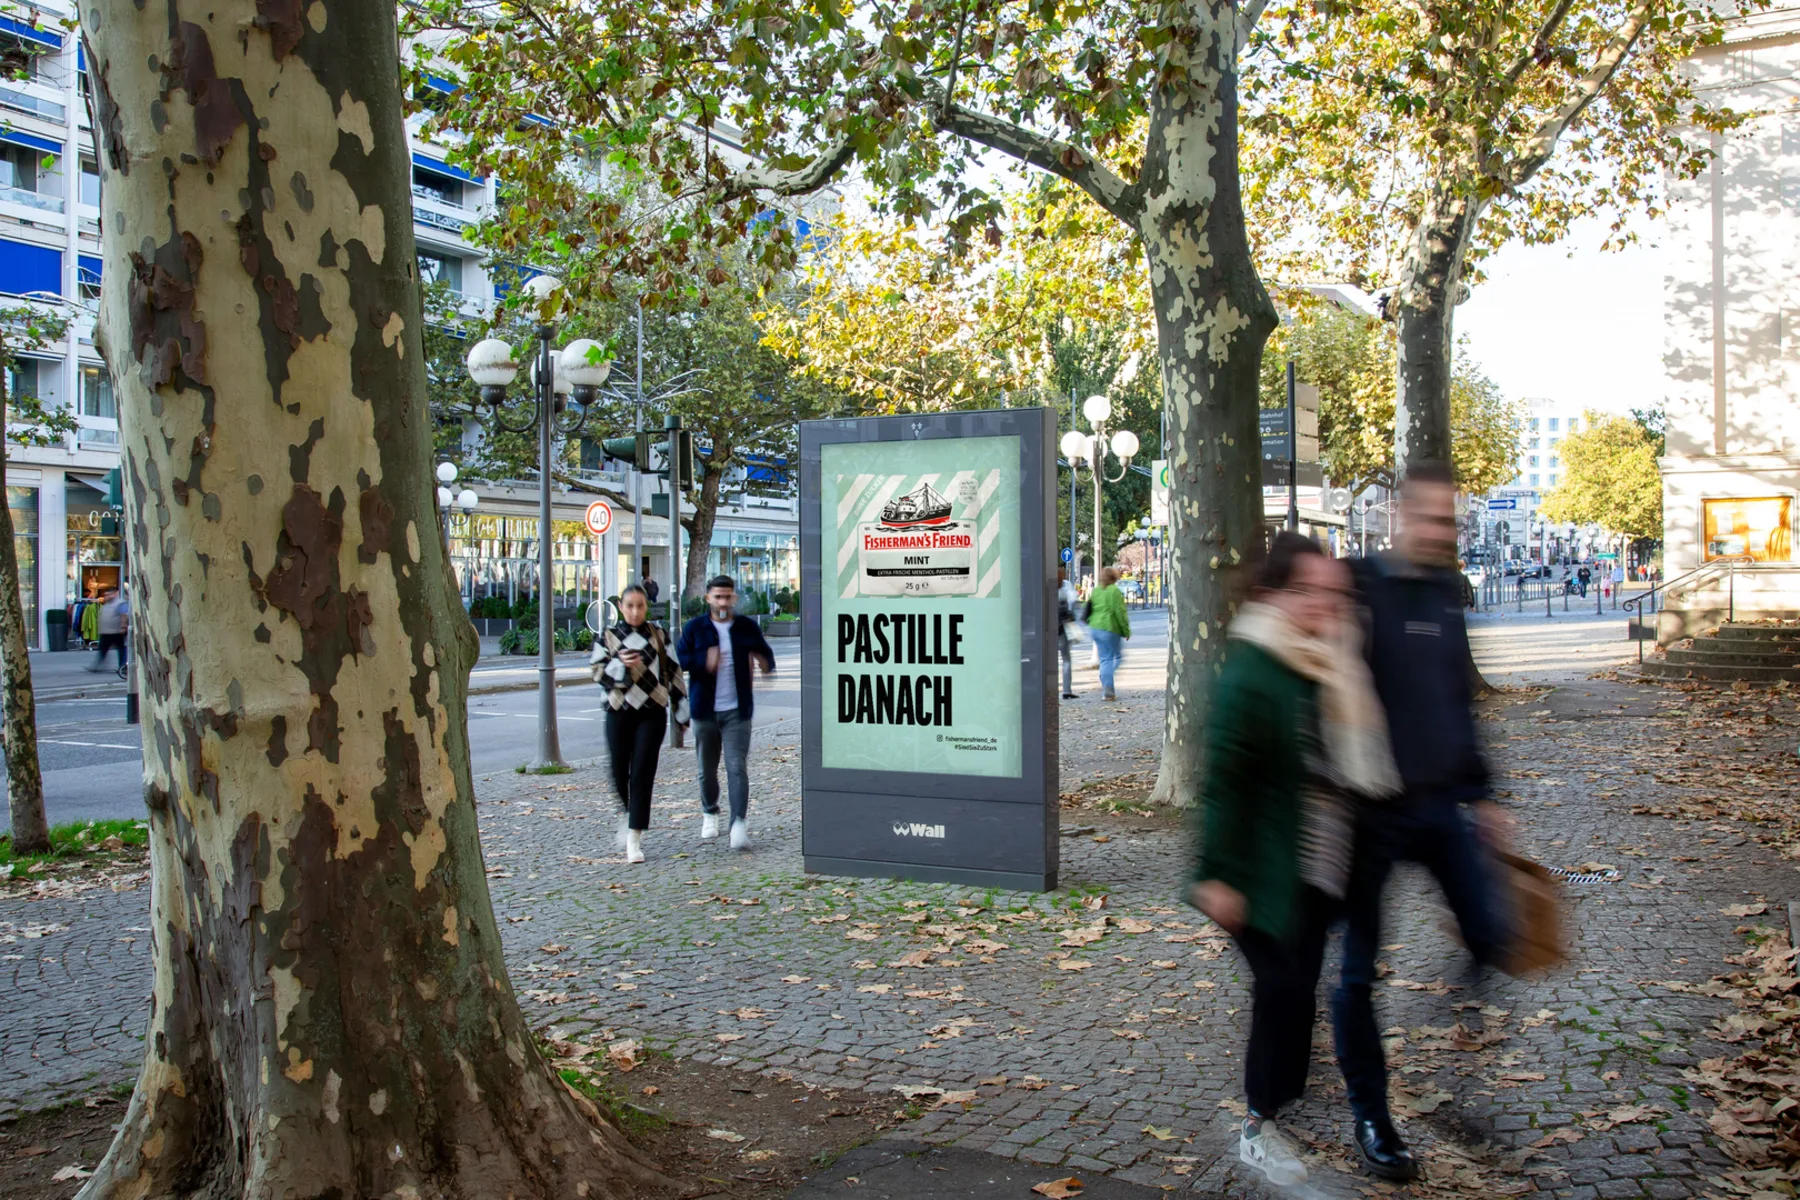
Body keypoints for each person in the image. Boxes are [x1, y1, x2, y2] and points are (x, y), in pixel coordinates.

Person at [1191, 533, 1401, 1190]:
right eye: (1305, 591)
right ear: (1272, 594)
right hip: (1260, 871)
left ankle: (1284, 1100)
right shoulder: (1254, 668)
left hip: (1320, 867)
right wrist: (1215, 875)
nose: (1321, 603)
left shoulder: (1330, 662)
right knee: (1280, 990)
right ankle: (1258, 1123)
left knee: (1302, 988)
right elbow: (1224, 777)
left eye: (1330, 591)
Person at [1333, 463, 1508, 1182]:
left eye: (1452, 522)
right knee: (1356, 977)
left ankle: (1449, 1039)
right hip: (1369, 814)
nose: (1443, 532)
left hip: (1440, 806)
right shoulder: (1361, 585)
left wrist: (1486, 795)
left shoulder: (1445, 591)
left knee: (1492, 935)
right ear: (1401, 515)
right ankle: (1373, 1117)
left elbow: (1455, 700)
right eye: (1432, 520)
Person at [677, 574, 775, 850]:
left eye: (727, 596)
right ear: (708, 598)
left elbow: (767, 656)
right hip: (704, 710)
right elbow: (679, 660)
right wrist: (703, 661)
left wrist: (763, 663)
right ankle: (710, 812)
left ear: (733, 598)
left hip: (737, 711)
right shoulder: (695, 628)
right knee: (706, 770)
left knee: (736, 767)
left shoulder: (745, 627)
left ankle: (738, 824)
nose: (722, 602)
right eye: (717, 597)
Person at [591, 584, 685, 864]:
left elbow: (674, 672)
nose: (635, 611)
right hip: (618, 710)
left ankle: (635, 836)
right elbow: (597, 673)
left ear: (647, 607)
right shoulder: (607, 637)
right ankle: (629, 813)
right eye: (630, 605)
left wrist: (682, 712)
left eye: (640, 605)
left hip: (652, 711)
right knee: (619, 772)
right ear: (620, 606)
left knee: (643, 771)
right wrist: (620, 665)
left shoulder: (659, 635)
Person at [1085, 567, 1131, 701]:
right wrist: (1126, 631)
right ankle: (1108, 687)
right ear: (1114, 577)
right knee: (1116, 658)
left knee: (1105, 658)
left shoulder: (1096, 590)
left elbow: (1087, 608)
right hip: (1109, 628)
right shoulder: (1114, 591)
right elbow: (1120, 612)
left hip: (1095, 628)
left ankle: (1105, 678)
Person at [88, 586, 128, 674]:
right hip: (106, 632)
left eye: (109, 594)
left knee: (121, 649)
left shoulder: (120, 603)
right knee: (102, 649)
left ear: (115, 594)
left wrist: (123, 626)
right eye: (106, 595)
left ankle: (122, 666)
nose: (107, 596)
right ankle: (96, 665)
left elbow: (124, 615)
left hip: (116, 632)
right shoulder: (106, 604)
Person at [1057, 568, 1079, 700]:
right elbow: (1068, 610)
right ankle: (1066, 690)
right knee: (1066, 659)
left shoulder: (1044, 588)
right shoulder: (1063, 591)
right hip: (1061, 630)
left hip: (1047, 630)